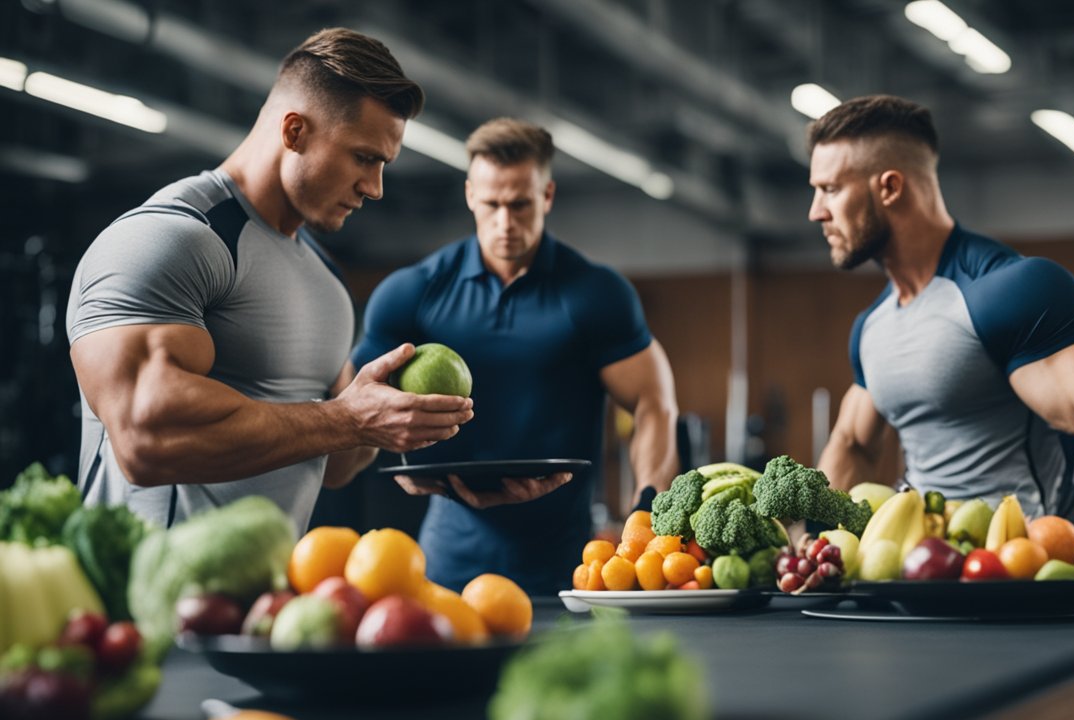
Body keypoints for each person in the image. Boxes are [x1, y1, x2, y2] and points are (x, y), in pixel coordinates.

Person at [65, 28, 473, 535]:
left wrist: (421, 444)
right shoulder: (171, 239)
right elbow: (147, 440)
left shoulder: (325, 281)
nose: (375, 188)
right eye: (364, 158)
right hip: (140, 604)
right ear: (294, 131)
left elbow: (338, 461)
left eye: (383, 164)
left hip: (269, 607)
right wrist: (347, 420)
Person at [809, 95, 1074, 611]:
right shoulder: (871, 326)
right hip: (922, 577)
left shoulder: (1004, 291)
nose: (816, 210)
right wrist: (812, 542)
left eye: (830, 189)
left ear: (888, 187)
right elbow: (854, 442)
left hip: (1027, 578)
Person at [350, 117, 679, 595]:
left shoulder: (596, 294)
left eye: (520, 205)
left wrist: (647, 507)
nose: (505, 223)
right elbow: (356, 408)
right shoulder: (412, 292)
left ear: (546, 195)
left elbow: (655, 403)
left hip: (568, 571)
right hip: (445, 563)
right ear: (469, 195)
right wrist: (393, 456)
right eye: (492, 204)